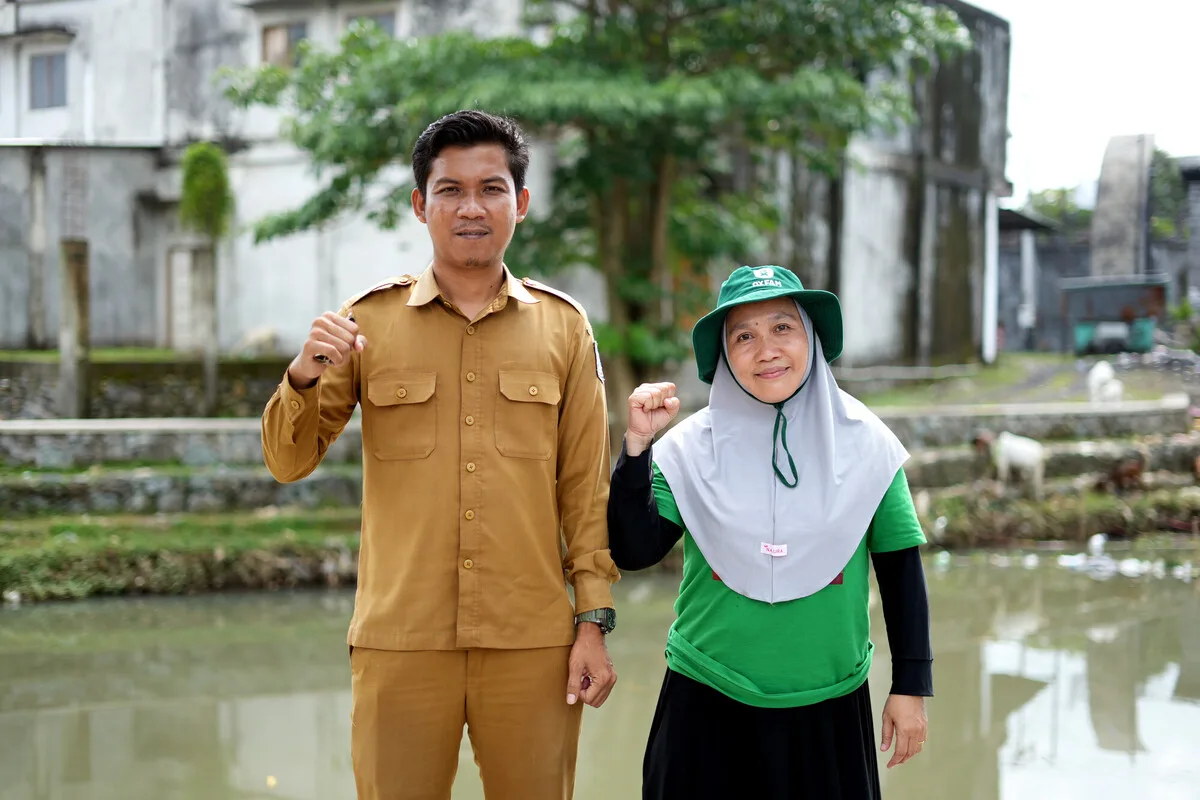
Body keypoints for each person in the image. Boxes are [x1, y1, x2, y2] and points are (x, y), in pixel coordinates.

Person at [261, 110, 619, 800]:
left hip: (531, 641)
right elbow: (286, 461)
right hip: (401, 639)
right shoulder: (366, 323)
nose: (471, 207)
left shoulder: (564, 328)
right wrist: (303, 375)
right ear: (421, 205)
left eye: (491, 189)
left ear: (520, 202)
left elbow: (585, 489)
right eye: (450, 190)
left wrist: (592, 620)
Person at [608, 265, 933, 799]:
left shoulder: (867, 445)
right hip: (706, 698)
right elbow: (634, 550)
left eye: (783, 327)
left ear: (812, 337)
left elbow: (901, 574)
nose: (766, 351)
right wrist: (638, 449)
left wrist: (911, 685)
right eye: (744, 336)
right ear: (724, 355)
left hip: (830, 704)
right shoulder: (687, 450)